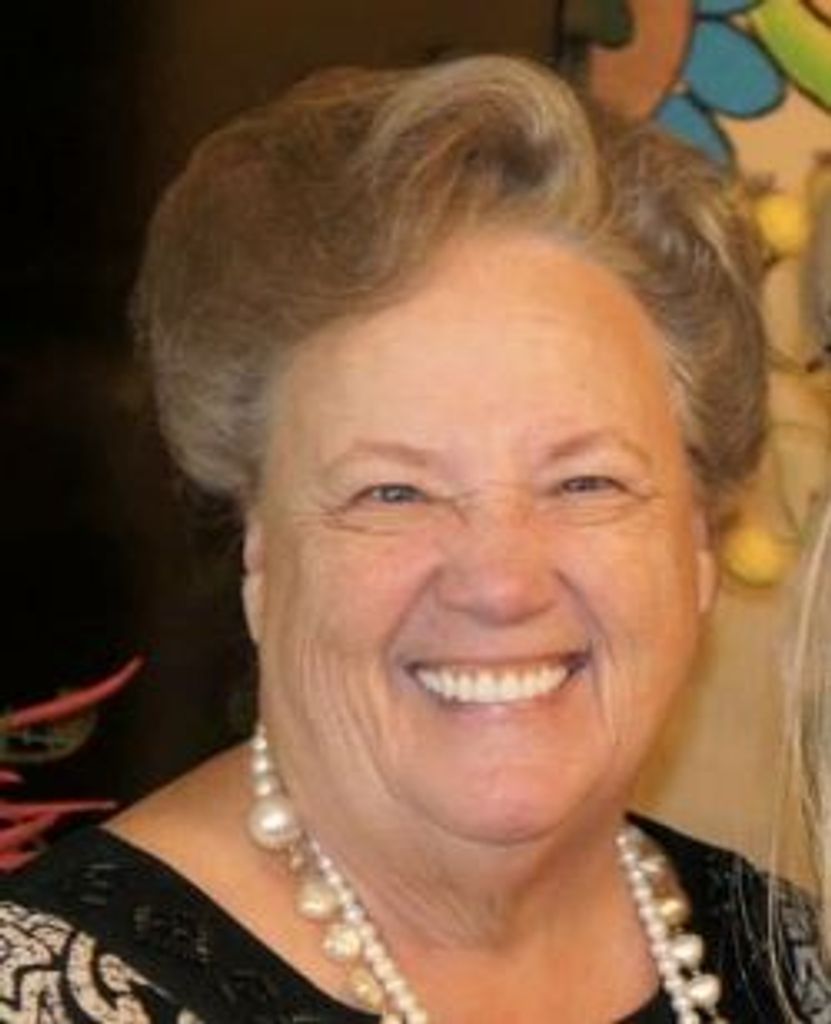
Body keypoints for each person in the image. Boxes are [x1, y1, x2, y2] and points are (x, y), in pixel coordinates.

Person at [1, 54, 826, 1023]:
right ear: (261, 554)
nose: (501, 581)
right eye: (394, 491)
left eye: (585, 482)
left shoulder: (794, 964)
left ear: (697, 544)